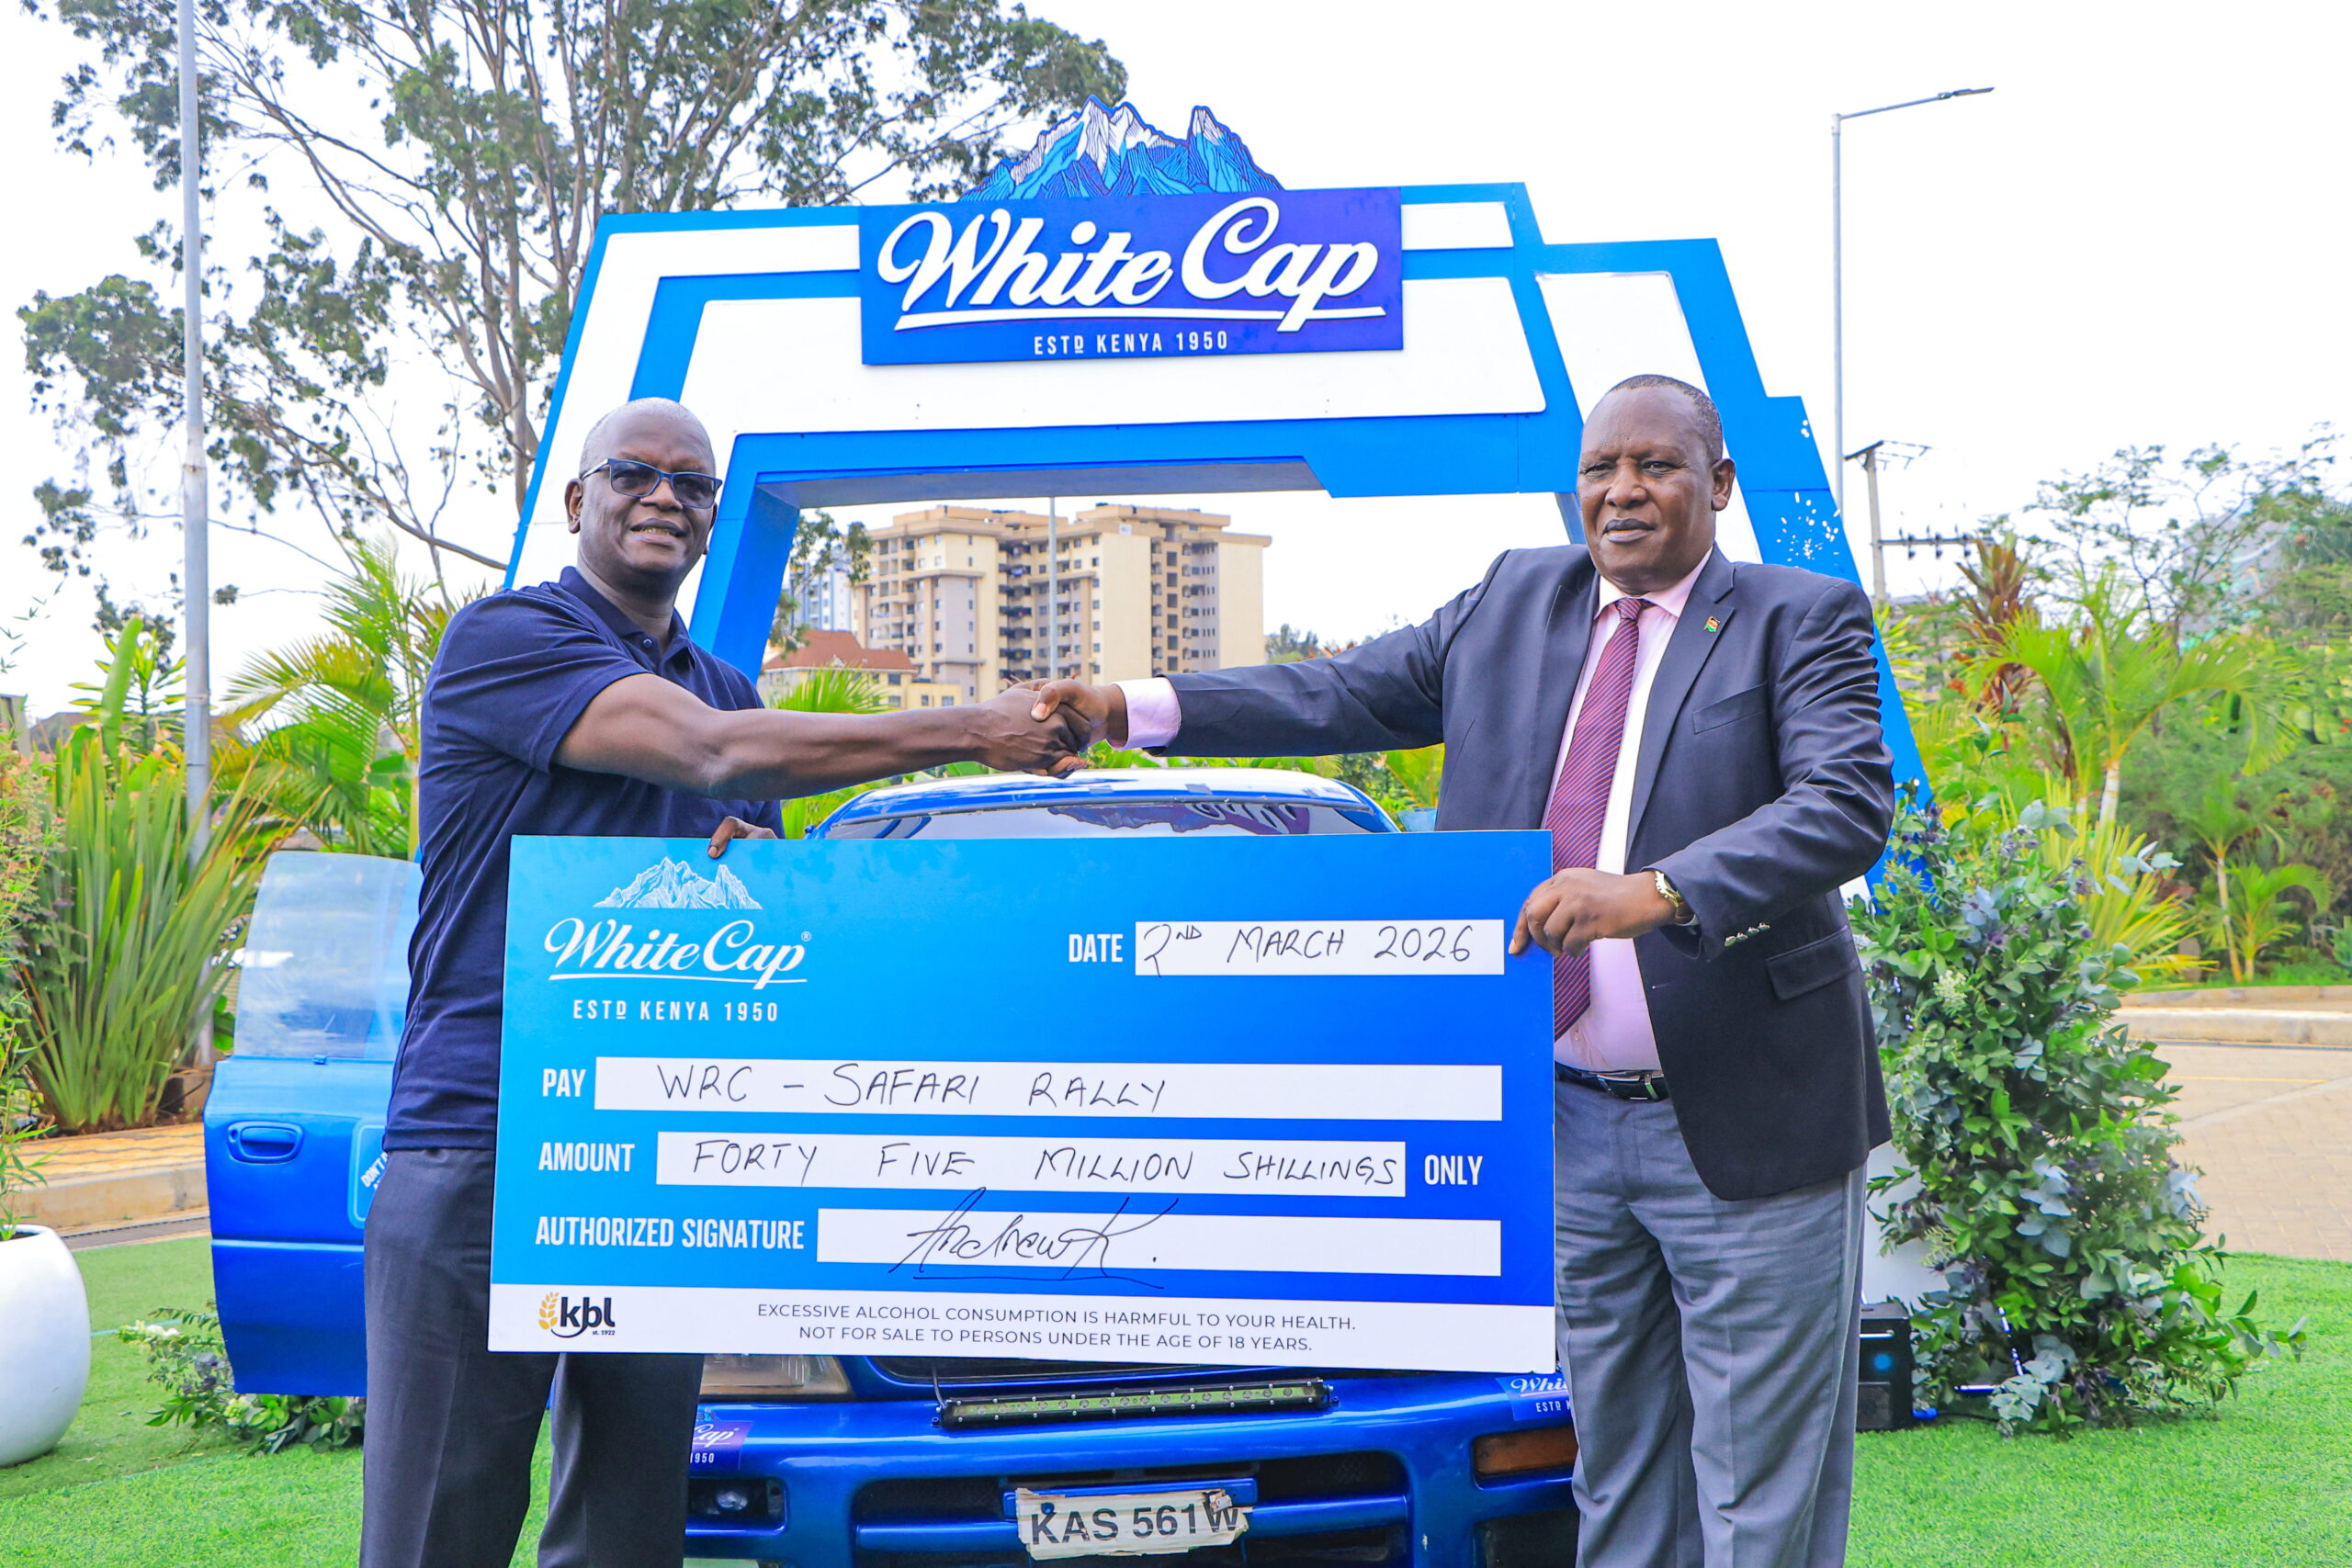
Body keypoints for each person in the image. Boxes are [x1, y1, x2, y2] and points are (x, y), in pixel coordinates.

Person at [1030, 374, 1894, 1568]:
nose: (1622, 491)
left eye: (1655, 465)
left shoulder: (1798, 616)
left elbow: (1842, 803)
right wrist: (1129, 704)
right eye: (1600, 469)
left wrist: (1655, 889)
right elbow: (1335, 690)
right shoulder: (1511, 601)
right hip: (1564, 1127)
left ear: (1719, 484)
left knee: (1759, 1489)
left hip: (1750, 1121)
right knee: (1617, 1466)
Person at [363, 397, 1086, 1568]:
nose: (665, 496)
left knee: (631, 1519)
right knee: (442, 1515)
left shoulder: (729, 687)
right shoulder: (509, 637)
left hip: (658, 1145)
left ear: (710, 520)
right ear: (578, 499)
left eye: (692, 485)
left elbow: (755, 908)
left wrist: (768, 878)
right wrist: (973, 729)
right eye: (634, 474)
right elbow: (705, 753)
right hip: (484, 1135)